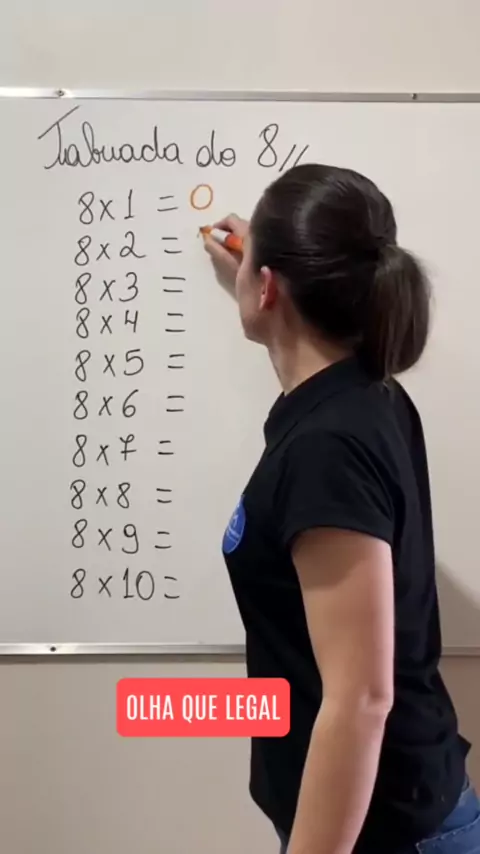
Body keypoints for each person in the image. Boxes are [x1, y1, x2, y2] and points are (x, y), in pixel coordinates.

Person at [202, 163, 480, 854]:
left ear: (269, 287)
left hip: (381, 832)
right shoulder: (364, 393)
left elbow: (361, 701)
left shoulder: (328, 447)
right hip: (380, 818)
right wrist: (255, 280)